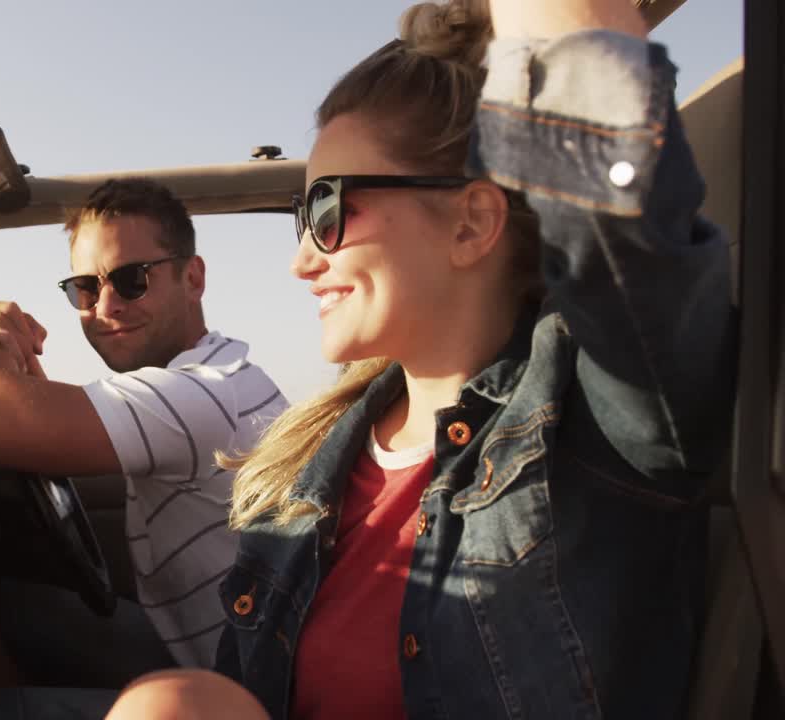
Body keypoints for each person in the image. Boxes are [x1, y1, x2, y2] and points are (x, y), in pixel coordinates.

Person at [104, 0, 736, 718]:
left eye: (328, 210)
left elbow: (614, 186)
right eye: (299, 217)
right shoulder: (307, 464)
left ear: (471, 222)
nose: (302, 261)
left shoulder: (598, 426)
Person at [0, 177, 289, 716]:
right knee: (10, 605)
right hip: (215, 652)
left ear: (193, 277)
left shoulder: (195, 397)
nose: (107, 306)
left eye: (131, 279)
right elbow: (33, 414)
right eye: (85, 289)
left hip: (238, 688)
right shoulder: (217, 374)